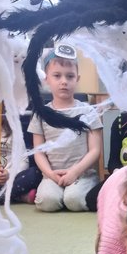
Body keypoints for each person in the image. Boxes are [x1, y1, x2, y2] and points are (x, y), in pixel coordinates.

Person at [28, 46, 102, 212]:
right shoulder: (41, 114)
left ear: (77, 78)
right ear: (46, 79)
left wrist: (75, 172)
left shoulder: (88, 111)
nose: (64, 81)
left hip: (82, 175)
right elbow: (38, 152)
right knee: (48, 202)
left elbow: (95, 150)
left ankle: (77, 192)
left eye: (70, 76)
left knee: (74, 200)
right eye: (57, 76)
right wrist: (50, 174)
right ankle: (56, 192)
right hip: (51, 176)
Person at [0, 114, 42, 204]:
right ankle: (18, 197)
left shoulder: (13, 131)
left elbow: (23, 159)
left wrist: (9, 173)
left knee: (35, 173)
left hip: (10, 180)